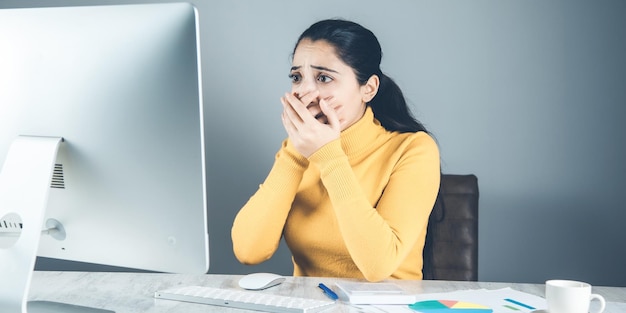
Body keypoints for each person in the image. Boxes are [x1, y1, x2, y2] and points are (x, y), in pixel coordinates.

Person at [231, 19, 440, 282]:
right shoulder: (297, 150)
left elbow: (378, 266)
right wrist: (296, 153)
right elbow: (248, 251)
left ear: (369, 88)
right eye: (297, 77)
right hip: (309, 306)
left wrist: (329, 156)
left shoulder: (413, 149)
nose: (305, 92)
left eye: (324, 78)